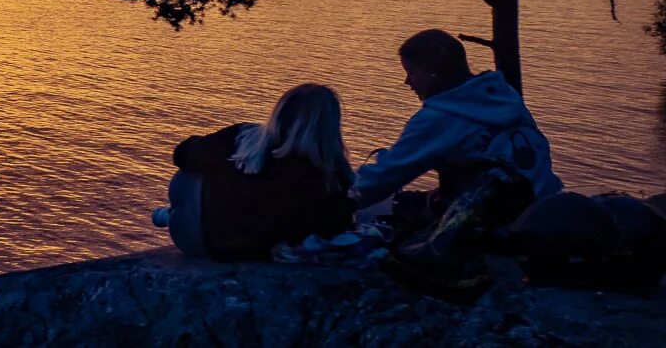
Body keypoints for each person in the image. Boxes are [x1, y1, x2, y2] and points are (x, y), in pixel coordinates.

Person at [353, 29, 563, 294]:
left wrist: (334, 197)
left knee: (389, 217)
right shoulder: (501, 96)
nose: (407, 82)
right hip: (546, 206)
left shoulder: (440, 117)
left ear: (432, 73)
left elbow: (385, 176)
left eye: (412, 72)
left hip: (500, 225)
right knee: (418, 201)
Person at [154, 83, 356, 261]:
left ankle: (171, 214)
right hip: (214, 246)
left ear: (279, 113)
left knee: (194, 170)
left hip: (190, 237)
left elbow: (181, 154)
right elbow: (331, 228)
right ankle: (174, 214)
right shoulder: (332, 179)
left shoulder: (244, 137)